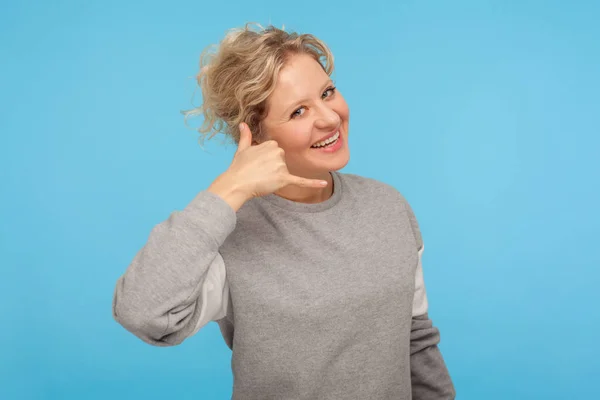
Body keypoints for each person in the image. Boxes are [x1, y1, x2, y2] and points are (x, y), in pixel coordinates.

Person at [112, 23, 456, 400]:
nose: (329, 118)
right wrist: (230, 188)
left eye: (328, 92)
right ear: (255, 136)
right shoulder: (230, 239)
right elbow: (142, 312)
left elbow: (415, 338)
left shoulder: (388, 206)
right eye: (298, 112)